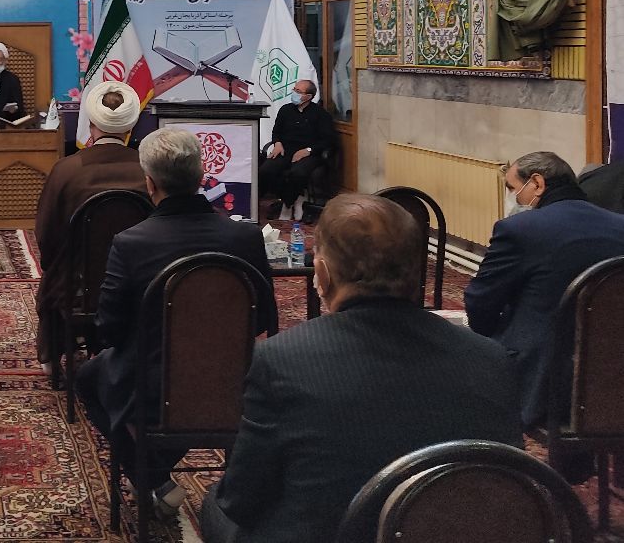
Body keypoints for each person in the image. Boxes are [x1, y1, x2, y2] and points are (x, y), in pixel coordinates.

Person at [202, 193, 522, 543]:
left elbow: (241, 500)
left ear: (322, 274)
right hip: (453, 532)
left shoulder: (281, 359)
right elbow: (511, 488)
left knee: (214, 506)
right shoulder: (491, 358)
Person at [75, 128, 274, 513]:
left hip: (154, 388)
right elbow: (264, 318)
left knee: (87, 378)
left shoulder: (131, 243)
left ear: (149, 183)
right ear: (201, 177)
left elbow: (109, 330)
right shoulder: (246, 237)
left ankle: (152, 475)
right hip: (236, 381)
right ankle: (165, 475)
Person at [465, 151, 624, 433]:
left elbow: (480, 302)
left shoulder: (519, 229)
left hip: (541, 381)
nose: (513, 198)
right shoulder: (619, 226)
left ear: (537, 183)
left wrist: (488, 339)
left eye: (513, 188)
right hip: (610, 375)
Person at [33, 80, 147, 369]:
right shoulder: (149, 170)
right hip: (140, 284)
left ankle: (57, 356)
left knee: (54, 274)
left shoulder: (67, 170)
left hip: (77, 287)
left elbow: (47, 235)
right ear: (130, 127)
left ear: (91, 124)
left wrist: (56, 266)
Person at [257, 80, 336, 221]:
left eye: (298, 92)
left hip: (309, 153)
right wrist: (277, 143)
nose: (294, 93)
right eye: (294, 89)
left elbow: (327, 140)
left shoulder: (321, 114)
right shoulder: (285, 110)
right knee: (266, 171)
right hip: (285, 150)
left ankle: (288, 205)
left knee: (297, 173)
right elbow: (276, 131)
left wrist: (308, 150)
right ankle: (292, 198)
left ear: (309, 97)